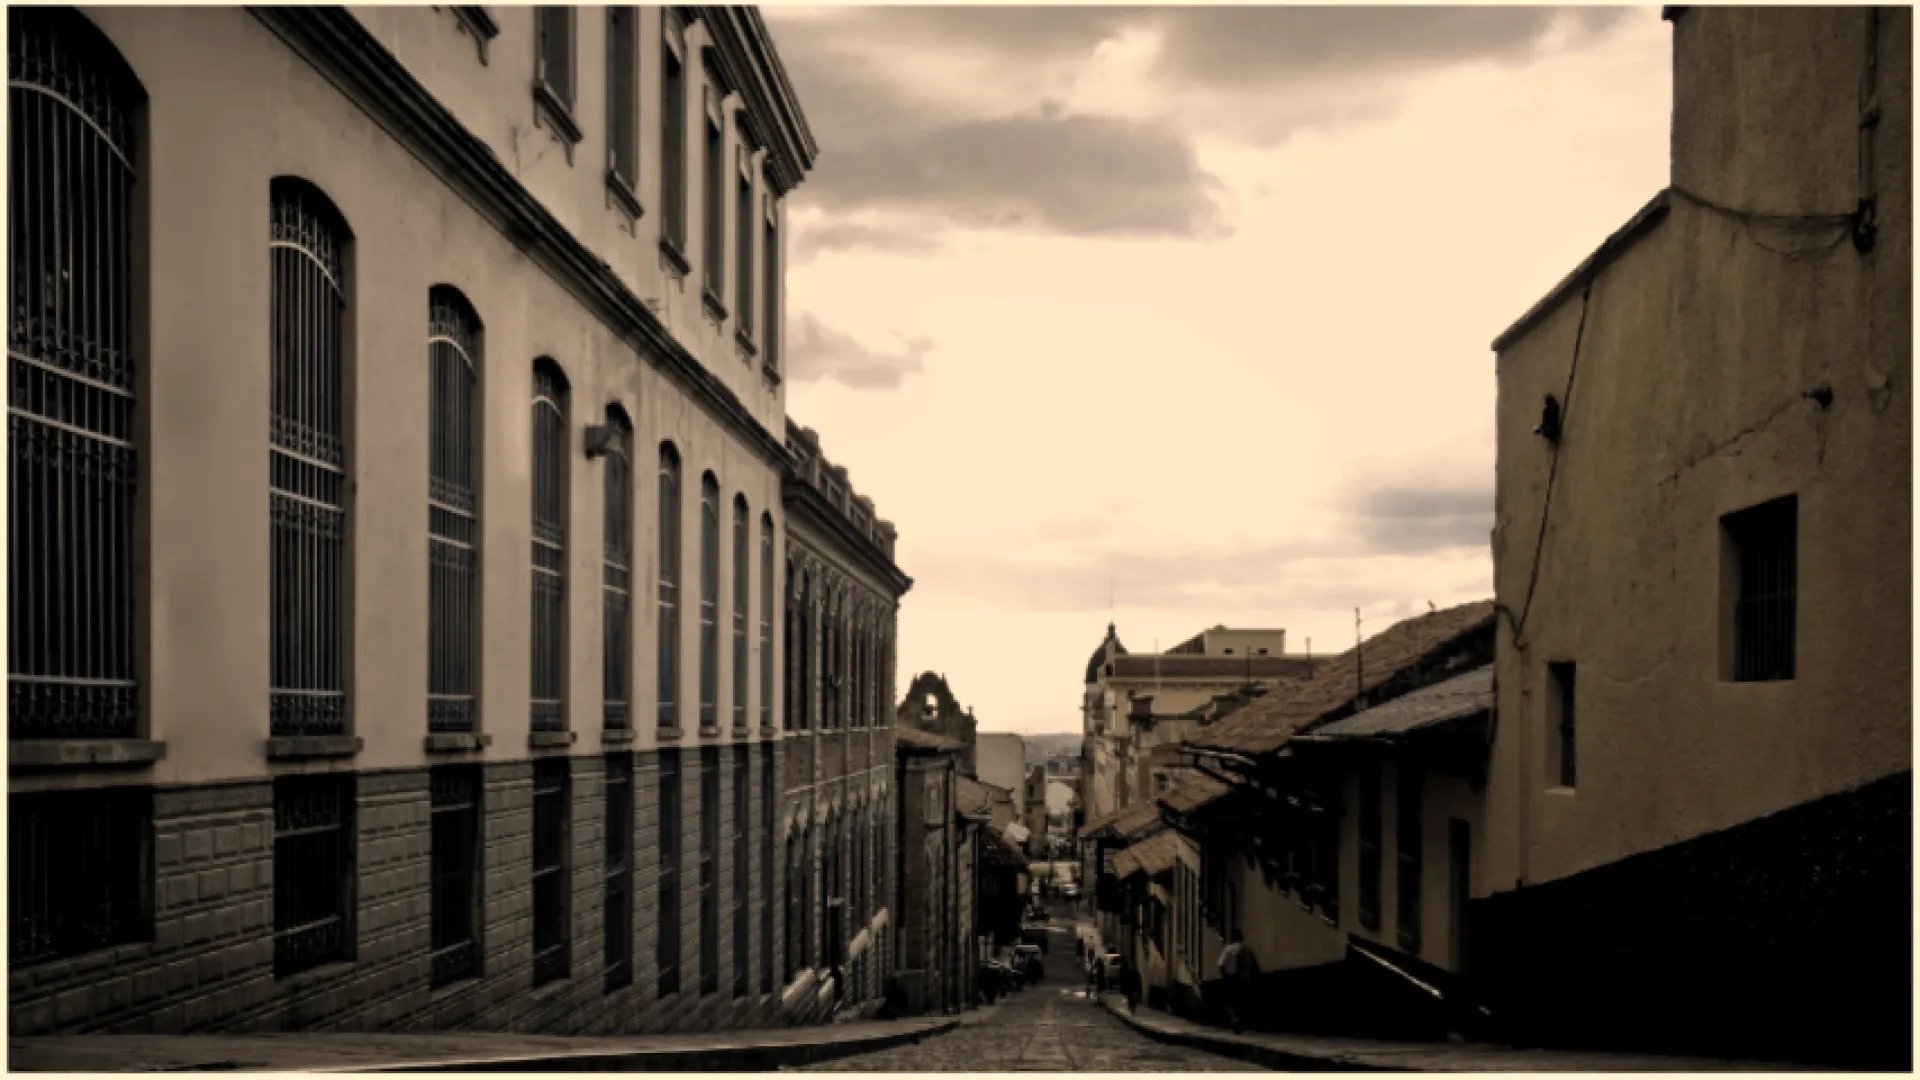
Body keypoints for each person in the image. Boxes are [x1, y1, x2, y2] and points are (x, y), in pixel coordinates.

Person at [1217, 929, 1258, 1034]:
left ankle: (1235, 1020)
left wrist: (1224, 976)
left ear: (1232, 938)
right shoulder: (1247, 949)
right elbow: (1255, 965)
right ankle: (1242, 1022)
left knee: (1230, 1001)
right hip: (1244, 979)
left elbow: (1221, 964)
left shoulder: (1228, 949)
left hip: (1231, 978)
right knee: (1242, 1001)